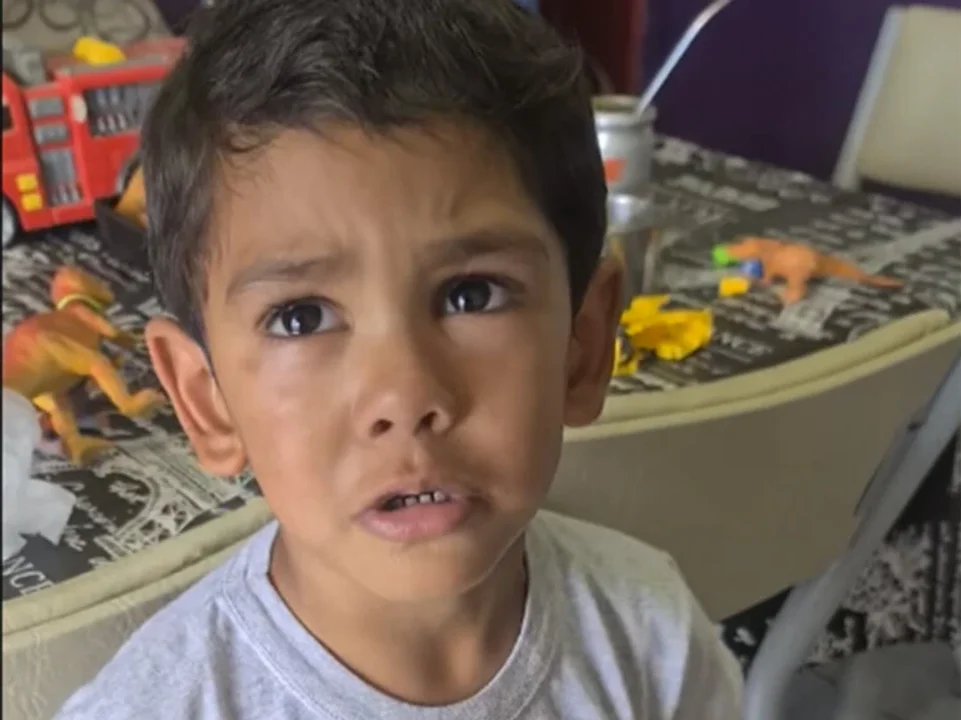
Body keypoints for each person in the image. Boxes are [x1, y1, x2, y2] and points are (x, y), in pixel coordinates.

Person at [56, 0, 743, 717]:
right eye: (300, 317)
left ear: (584, 345)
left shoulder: (651, 637)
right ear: (206, 400)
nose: (404, 395)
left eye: (472, 294)